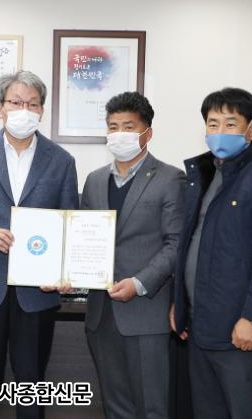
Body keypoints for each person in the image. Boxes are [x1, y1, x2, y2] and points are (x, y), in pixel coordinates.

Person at [0, 70, 79, 418]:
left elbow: (69, 221)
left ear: (42, 110)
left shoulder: (61, 160)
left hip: (37, 292)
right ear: (0, 108)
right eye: (16, 102)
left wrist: (64, 271)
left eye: (32, 104)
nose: (25, 110)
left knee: (31, 388)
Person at [170, 87, 252, 419]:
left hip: (239, 331)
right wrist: (180, 303)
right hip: (200, 327)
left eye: (230, 124)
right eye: (213, 124)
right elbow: (188, 245)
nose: (220, 132)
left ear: (251, 128)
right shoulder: (203, 175)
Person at [81, 92, 184, 418]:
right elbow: (82, 238)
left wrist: (139, 283)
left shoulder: (170, 178)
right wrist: (66, 273)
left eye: (128, 127)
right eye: (113, 127)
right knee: (115, 407)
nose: (119, 134)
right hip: (101, 315)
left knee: (151, 407)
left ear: (147, 132)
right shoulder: (94, 180)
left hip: (145, 312)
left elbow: (176, 244)